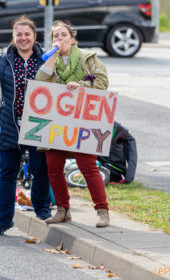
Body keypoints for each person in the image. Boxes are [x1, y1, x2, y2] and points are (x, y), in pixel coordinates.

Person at [0, 15, 51, 236]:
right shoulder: (3, 60)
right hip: (9, 124)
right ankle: (3, 220)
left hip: (38, 124)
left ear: (34, 36)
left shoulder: (46, 59)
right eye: (19, 34)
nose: (23, 38)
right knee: (7, 173)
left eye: (27, 34)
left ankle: (42, 210)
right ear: (13, 37)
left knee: (41, 170)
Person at [35, 20, 110, 228]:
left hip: (82, 121)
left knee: (88, 166)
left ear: (72, 38)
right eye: (55, 37)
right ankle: (63, 210)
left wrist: (82, 85)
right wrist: (51, 60)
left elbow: (103, 82)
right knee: (54, 166)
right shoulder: (51, 61)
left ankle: (102, 211)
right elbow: (39, 87)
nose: (59, 39)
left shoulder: (88, 59)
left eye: (63, 35)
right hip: (57, 122)